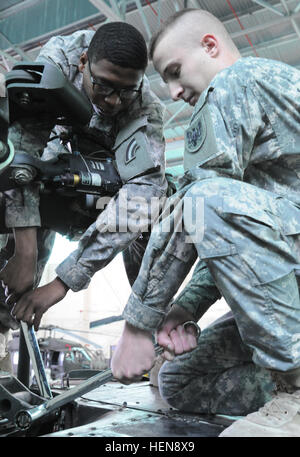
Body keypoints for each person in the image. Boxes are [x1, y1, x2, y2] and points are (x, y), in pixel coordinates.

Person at [111, 8, 300, 437]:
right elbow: (241, 236)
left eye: (175, 72)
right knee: (179, 380)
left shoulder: (238, 80)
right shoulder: (259, 122)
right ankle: (283, 393)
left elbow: (199, 209)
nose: (175, 91)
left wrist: (139, 325)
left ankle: (296, 393)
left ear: (211, 46)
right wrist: (184, 308)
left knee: (203, 197)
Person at [0, 22, 169, 370]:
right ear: (82, 63)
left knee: (166, 212)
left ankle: (148, 338)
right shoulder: (58, 60)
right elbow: (22, 154)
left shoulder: (144, 108)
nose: (112, 101)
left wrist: (63, 282)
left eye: (125, 91)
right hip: (46, 184)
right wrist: (25, 251)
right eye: (104, 85)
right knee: (15, 268)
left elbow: (142, 197)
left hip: (106, 199)